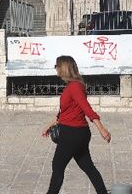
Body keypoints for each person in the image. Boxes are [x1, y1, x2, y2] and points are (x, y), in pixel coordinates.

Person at [41, 55, 111, 194]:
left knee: (58, 167)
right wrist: (51, 124)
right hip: (78, 133)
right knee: (88, 166)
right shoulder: (73, 86)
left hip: (72, 134)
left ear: (64, 68)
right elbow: (66, 111)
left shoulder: (74, 87)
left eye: (57, 66)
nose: (56, 69)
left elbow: (87, 109)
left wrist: (101, 128)